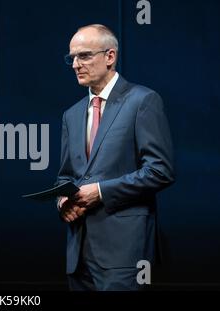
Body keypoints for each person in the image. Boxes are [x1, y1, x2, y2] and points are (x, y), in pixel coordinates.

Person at [56, 24, 175, 291]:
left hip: (125, 252)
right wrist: (63, 200)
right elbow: (66, 175)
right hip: (78, 252)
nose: (75, 64)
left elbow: (160, 170)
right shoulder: (71, 114)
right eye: (71, 58)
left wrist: (100, 191)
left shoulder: (143, 101)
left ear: (110, 56)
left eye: (84, 55)